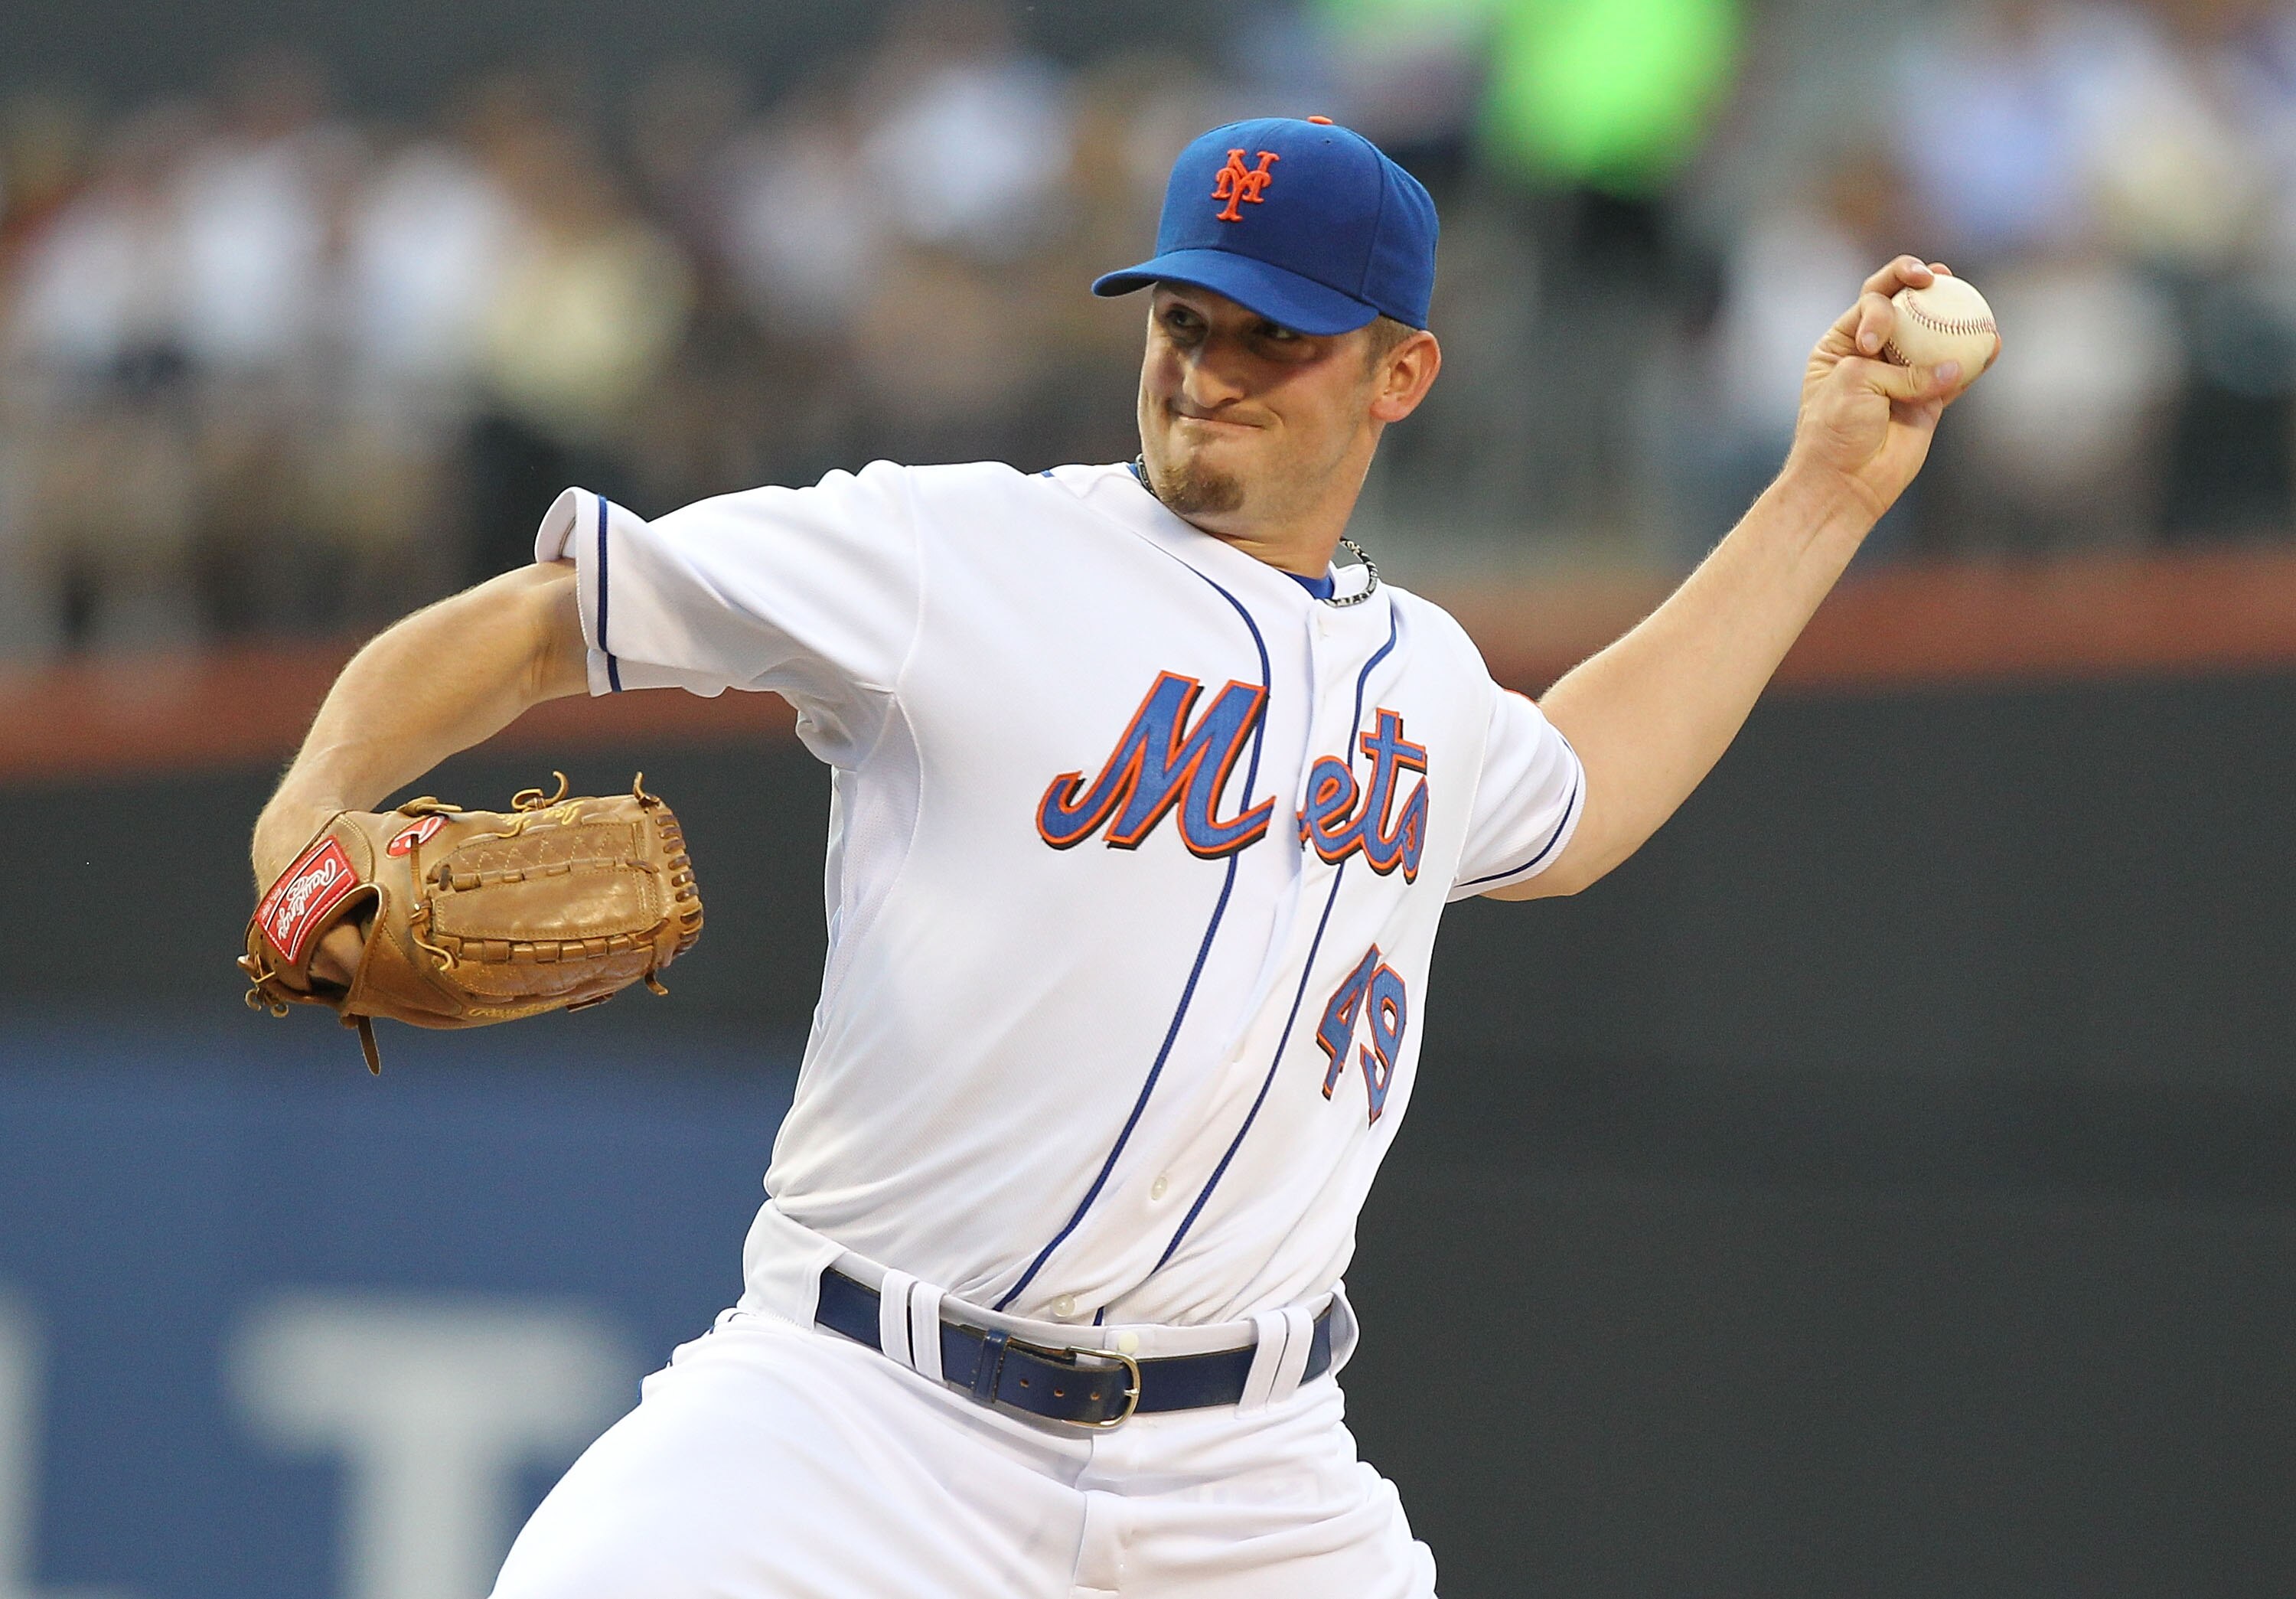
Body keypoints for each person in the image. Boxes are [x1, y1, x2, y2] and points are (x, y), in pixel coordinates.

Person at [249, 116, 1982, 1597]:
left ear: (1401, 373)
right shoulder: (958, 551)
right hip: (861, 1417)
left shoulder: (1431, 684)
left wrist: (1826, 486)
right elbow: (542, 627)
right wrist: (302, 817)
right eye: (1182, 318)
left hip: (1248, 1478)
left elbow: (1586, 792)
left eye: (1272, 337)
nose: (1209, 367)